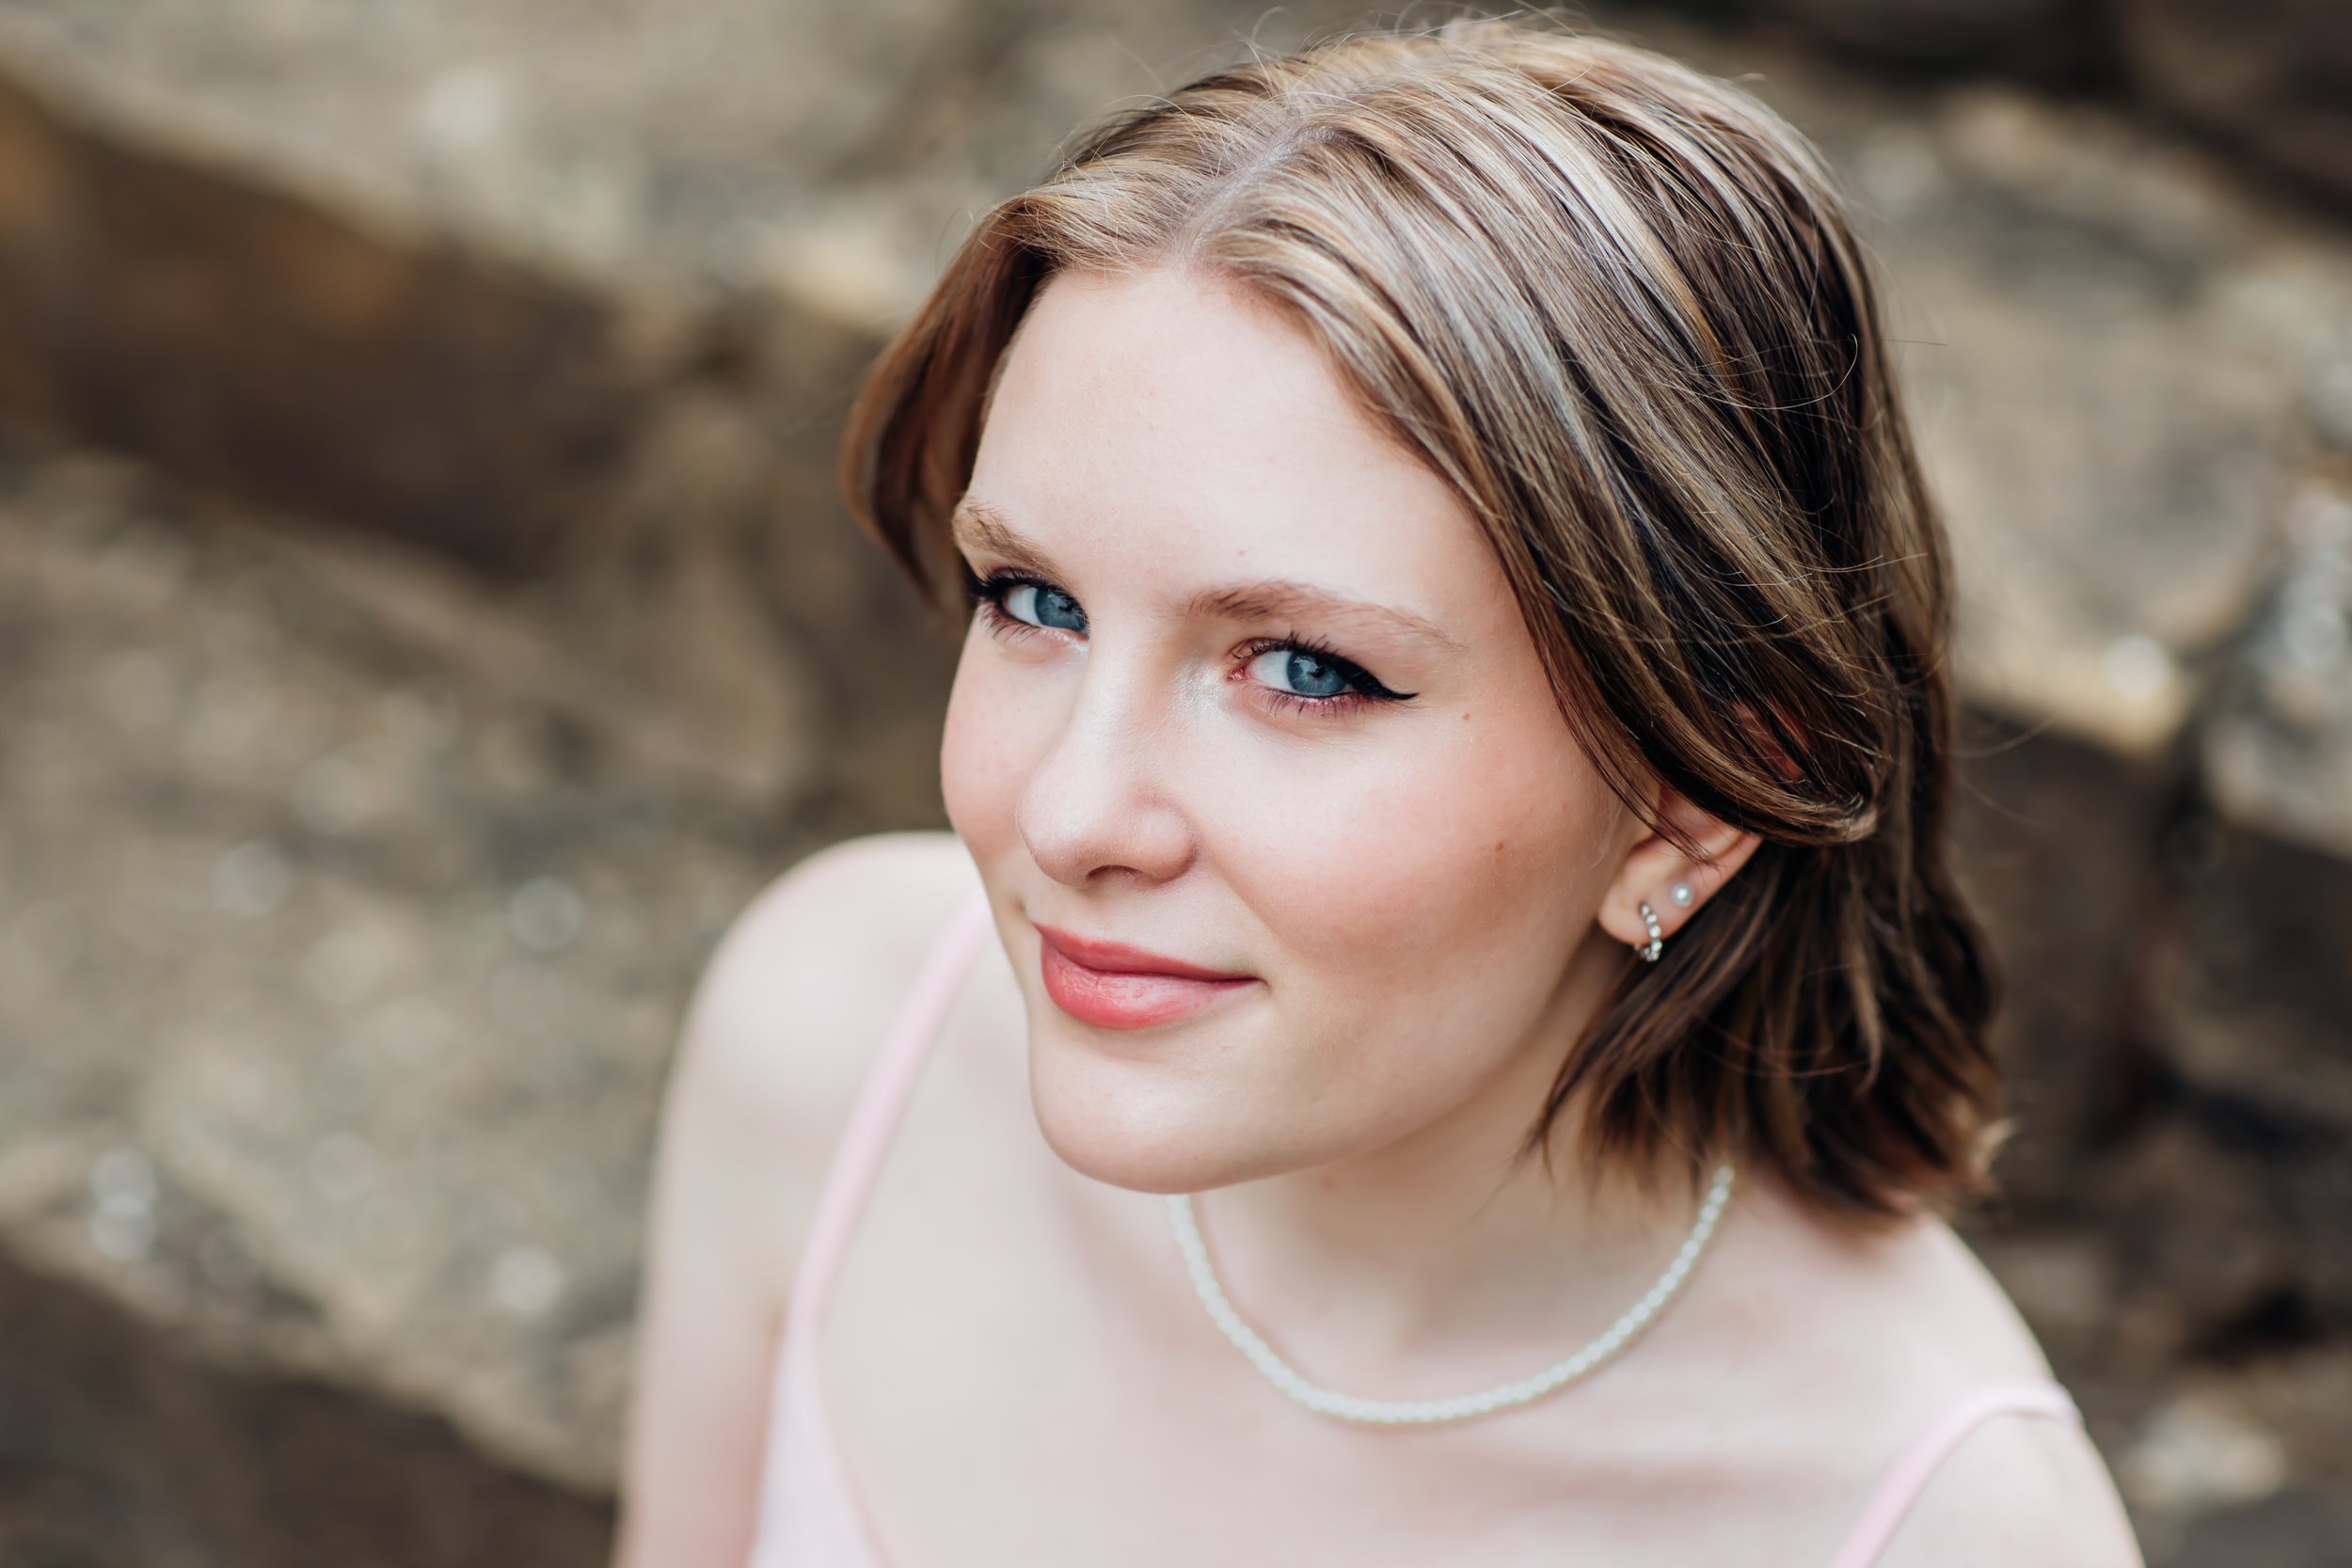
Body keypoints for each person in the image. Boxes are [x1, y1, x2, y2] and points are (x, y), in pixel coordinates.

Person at [613, 17, 2146, 1567]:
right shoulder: (836, 1042)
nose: (1069, 818)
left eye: (1304, 671)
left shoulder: (1941, 1529)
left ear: (1691, 803)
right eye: (1035, 601)